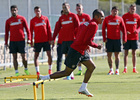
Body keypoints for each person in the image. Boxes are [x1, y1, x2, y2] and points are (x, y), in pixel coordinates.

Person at [39, 9, 104, 97]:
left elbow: (79, 35)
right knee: (66, 72)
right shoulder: (94, 25)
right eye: (101, 17)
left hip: (81, 50)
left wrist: (86, 46)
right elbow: (87, 40)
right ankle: (43, 78)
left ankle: (83, 88)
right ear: (96, 17)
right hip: (76, 51)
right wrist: (97, 46)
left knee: (91, 67)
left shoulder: (86, 23)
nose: (103, 19)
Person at [52, 2, 80, 80]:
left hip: (72, 40)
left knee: (72, 57)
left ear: (69, 7)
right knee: (66, 57)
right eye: (63, 8)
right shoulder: (61, 18)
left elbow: (78, 27)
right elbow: (57, 29)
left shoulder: (73, 16)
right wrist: (53, 38)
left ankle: (71, 74)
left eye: (65, 7)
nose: (64, 9)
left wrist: (78, 38)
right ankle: (70, 74)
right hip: (64, 41)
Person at [5, 5, 31, 76]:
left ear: (17, 10)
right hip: (13, 42)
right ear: (11, 11)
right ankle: (16, 72)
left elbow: (27, 30)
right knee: (14, 57)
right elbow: (6, 32)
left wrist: (29, 39)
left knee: (24, 57)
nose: (14, 11)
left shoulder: (22, 18)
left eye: (15, 10)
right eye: (12, 10)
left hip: (21, 41)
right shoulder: (8, 21)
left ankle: (26, 69)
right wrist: (6, 42)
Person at [102, 6, 127, 75]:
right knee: (109, 55)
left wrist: (124, 38)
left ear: (118, 12)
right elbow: (103, 29)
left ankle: (117, 69)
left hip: (117, 40)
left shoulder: (120, 19)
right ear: (111, 11)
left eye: (116, 11)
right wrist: (104, 38)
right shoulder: (107, 19)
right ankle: (111, 69)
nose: (115, 12)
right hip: (109, 40)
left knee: (117, 55)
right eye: (113, 11)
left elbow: (124, 30)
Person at [30, 6, 53, 76]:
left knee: (49, 55)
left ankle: (50, 69)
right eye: (36, 11)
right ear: (34, 12)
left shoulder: (45, 19)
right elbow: (30, 31)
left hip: (46, 41)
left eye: (39, 11)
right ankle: (37, 72)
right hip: (37, 41)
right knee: (36, 56)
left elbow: (49, 29)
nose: (38, 12)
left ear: (41, 11)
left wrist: (51, 39)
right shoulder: (32, 20)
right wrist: (31, 41)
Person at [122, 4, 140, 73]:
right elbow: (121, 26)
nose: (132, 10)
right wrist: (125, 31)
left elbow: (139, 26)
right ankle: (125, 68)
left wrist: (137, 31)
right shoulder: (124, 16)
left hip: (134, 38)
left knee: (134, 53)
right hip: (126, 38)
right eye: (131, 8)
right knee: (126, 53)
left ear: (135, 9)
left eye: (134, 9)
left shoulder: (137, 16)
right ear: (129, 9)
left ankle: (134, 68)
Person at [75, 3, 91, 75]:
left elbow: (91, 28)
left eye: (80, 8)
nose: (78, 10)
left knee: (86, 54)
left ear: (82, 9)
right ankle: (79, 70)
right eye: (77, 8)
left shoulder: (87, 17)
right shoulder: (75, 17)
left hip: (85, 39)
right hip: (78, 39)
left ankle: (88, 67)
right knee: (78, 54)